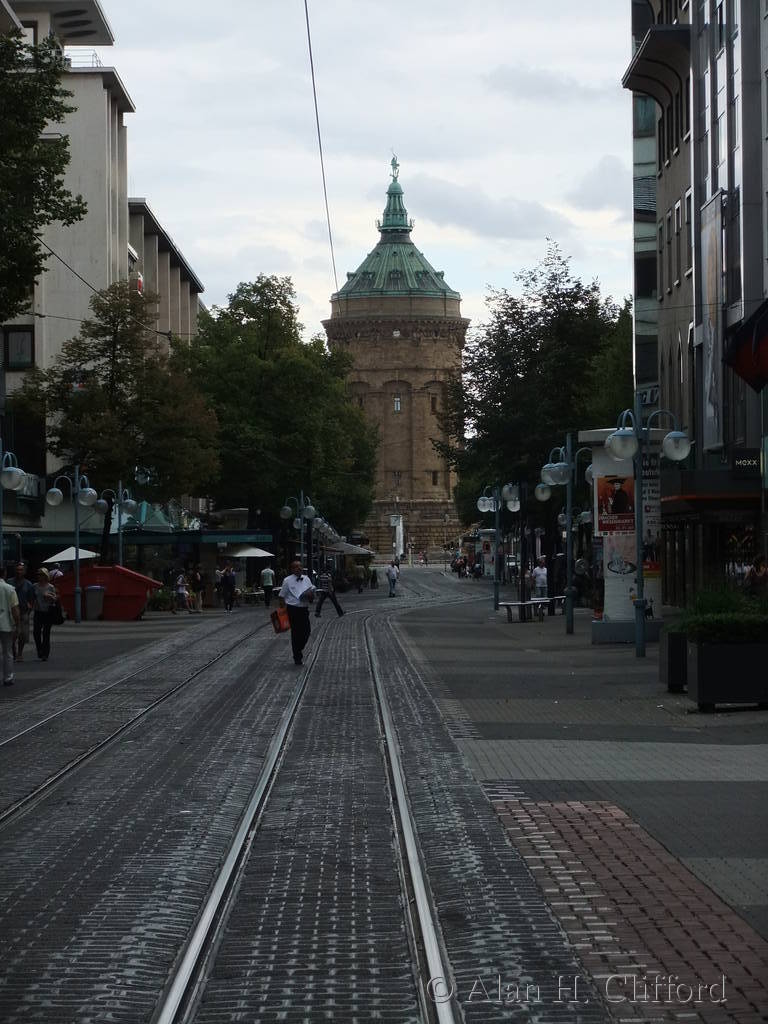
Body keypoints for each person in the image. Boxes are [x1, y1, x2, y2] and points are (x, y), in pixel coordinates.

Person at [279, 560, 316, 665]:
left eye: (300, 566)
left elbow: (311, 596)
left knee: (307, 632)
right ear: (292, 569)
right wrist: (283, 612)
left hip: (304, 609)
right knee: (296, 633)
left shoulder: (307, 579)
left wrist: (311, 596)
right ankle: (297, 656)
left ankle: (299, 648)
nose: (299, 568)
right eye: (296, 567)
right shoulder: (287, 580)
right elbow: (281, 596)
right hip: (293, 609)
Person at [0, 566, 20, 685]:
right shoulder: (9, 589)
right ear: (4, 574)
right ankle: (8, 677)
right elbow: (15, 609)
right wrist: (17, 625)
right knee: (7, 652)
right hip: (6, 624)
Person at [33, 567, 57, 662]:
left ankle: (45, 654)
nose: (39, 576)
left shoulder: (50, 587)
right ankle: (40, 650)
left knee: (46, 633)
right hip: (38, 611)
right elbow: (31, 597)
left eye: (41, 575)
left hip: (48, 612)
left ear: (45, 576)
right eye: (38, 574)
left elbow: (55, 599)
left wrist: (49, 596)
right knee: (36, 632)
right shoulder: (34, 586)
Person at [12, 562, 35, 663]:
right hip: (12, 612)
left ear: (24, 571)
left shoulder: (28, 584)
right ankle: (13, 650)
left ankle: (20, 653)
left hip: (23, 612)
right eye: (18, 569)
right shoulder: (10, 582)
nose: (19, 572)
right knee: (12, 634)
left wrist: (29, 611)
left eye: (21, 570)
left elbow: (31, 600)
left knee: (23, 634)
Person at [532, 557, 548, 621]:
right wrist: (533, 586)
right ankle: (538, 610)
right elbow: (533, 577)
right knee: (538, 597)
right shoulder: (536, 569)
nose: (543, 564)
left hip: (545, 586)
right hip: (538, 586)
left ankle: (541, 610)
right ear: (539, 563)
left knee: (544, 598)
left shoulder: (546, 569)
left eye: (544, 563)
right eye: (542, 562)